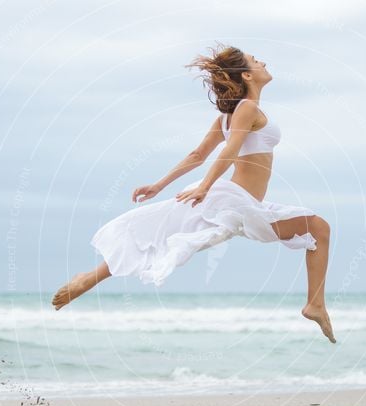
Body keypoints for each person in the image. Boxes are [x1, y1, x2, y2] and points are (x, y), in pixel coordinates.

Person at [52, 43, 335, 343]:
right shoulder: (247, 109)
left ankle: (88, 279)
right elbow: (229, 150)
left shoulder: (229, 115)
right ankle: (315, 304)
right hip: (234, 199)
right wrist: (204, 186)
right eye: (255, 60)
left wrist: (159, 185)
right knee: (317, 228)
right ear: (247, 76)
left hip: (241, 199)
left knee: (163, 232)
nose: (262, 62)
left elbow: (197, 154)